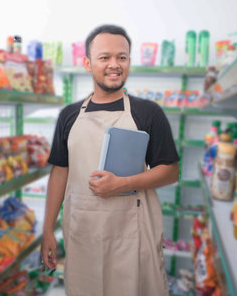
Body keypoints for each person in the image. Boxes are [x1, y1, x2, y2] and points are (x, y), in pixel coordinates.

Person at [41, 24, 179, 296]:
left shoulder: (147, 113)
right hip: (83, 233)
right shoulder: (69, 116)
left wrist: (123, 183)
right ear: (88, 63)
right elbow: (60, 173)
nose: (114, 65)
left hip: (132, 234)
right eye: (104, 57)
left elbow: (170, 171)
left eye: (122, 57)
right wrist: (47, 230)